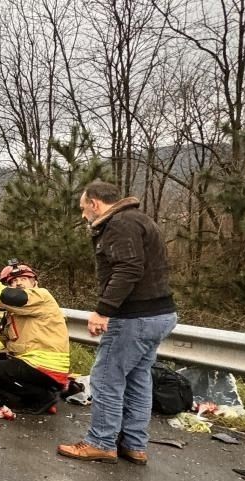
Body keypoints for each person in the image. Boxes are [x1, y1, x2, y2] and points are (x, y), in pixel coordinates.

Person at [58, 180, 177, 464]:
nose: (83, 214)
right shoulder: (140, 219)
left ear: (95, 204)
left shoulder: (119, 225)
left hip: (134, 316)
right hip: (160, 313)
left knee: (106, 378)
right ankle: (134, 445)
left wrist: (103, 310)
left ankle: (101, 442)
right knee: (138, 379)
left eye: (83, 207)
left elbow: (128, 268)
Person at [0, 258, 70, 413]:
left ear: (34, 282)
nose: (19, 283)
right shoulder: (14, 312)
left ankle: (41, 398)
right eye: (13, 281)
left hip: (44, 365)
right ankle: (38, 394)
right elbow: (2, 336)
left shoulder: (41, 296)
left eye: (24, 279)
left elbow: (14, 297)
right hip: (34, 364)